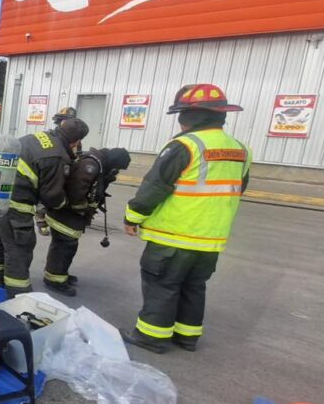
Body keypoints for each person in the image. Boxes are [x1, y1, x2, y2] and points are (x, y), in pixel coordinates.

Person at [122, 83, 251, 354]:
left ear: (188, 117)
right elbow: (238, 189)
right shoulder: (241, 150)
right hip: (211, 239)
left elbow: (155, 187)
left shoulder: (184, 146)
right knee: (194, 285)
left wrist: (133, 216)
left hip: (174, 235)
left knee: (162, 284)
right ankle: (187, 336)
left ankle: (151, 336)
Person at [0, 118, 89, 297]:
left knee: (1, 240)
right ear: (76, 141)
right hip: (17, 205)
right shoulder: (57, 156)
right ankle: (18, 294)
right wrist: (65, 204)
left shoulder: (39, 137)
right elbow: (51, 195)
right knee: (20, 248)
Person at [41, 148, 131, 296]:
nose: (117, 172)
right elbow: (76, 192)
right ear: (114, 162)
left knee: (67, 246)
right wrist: (83, 209)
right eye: (117, 168)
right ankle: (54, 280)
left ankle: (59, 273)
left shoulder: (98, 165)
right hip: (66, 215)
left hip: (71, 215)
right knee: (64, 247)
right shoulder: (90, 165)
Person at [36, 106, 81, 235]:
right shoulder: (52, 136)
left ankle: (55, 218)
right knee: (46, 193)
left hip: (65, 170)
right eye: (63, 120)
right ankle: (41, 221)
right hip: (51, 168)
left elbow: (77, 155)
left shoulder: (75, 138)